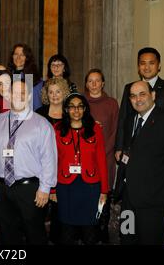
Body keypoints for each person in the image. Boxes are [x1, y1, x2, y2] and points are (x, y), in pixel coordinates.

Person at [115, 81, 164, 245]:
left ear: (153, 96)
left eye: (142, 94)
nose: (137, 99)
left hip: (152, 204)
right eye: (133, 96)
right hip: (128, 201)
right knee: (126, 239)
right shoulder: (131, 120)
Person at [0, 79, 57, 245]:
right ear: (8, 95)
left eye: (22, 93)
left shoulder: (42, 124)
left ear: (29, 97)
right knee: (6, 235)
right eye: (14, 92)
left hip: (31, 190)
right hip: (2, 187)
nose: (18, 96)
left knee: (35, 234)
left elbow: (49, 158)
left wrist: (45, 188)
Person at [54, 93, 108, 245]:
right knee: (67, 232)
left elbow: (101, 160)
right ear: (66, 109)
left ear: (85, 109)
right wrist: (52, 189)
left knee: (90, 231)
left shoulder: (95, 128)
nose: (76, 110)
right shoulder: (57, 129)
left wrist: (104, 190)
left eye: (80, 107)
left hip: (90, 187)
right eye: (72, 107)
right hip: (65, 186)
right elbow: (53, 160)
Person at [115, 47, 164, 161]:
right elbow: (123, 118)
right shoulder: (129, 87)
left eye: (151, 63)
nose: (146, 67)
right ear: (138, 67)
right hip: (131, 149)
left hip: (159, 151)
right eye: (142, 63)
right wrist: (119, 147)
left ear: (159, 66)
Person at [84, 69, 119, 243]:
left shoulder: (112, 103)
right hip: (84, 159)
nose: (94, 84)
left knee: (103, 194)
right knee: (87, 195)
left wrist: (104, 151)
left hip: (106, 156)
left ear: (103, 83)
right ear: (86, 84)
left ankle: (102, 232)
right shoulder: (80, 102)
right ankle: (87, 231)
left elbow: (115, 130)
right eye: (90, 81)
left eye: (97, 80)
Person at [35, 77, 70, 244]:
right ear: (46, 95)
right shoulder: (39, 114)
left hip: (65, 168)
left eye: (58, 91)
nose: (55, 95)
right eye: (51, 92)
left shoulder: (72, 113)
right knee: (38, 214)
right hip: (42, 168)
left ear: (64, 93)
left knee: (61, 214)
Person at [7, 43, 43, 111]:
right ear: (12, 56)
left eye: (22, 55)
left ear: (27, 58)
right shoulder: (6, 76)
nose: (18, 57)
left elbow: (37, 106)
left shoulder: (35, 79)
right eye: (16, 54)